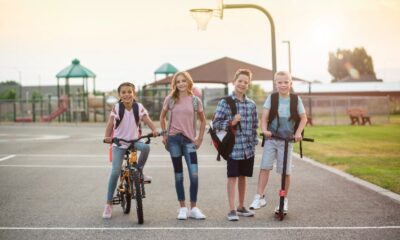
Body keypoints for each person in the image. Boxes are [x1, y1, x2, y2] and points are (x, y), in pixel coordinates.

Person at [249, 71, 307, 214]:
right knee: (265, 167)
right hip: (272, 138)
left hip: (287, 140)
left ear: (290, 83)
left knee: (285, 171)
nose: (283, 85)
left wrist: (298, 133)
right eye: (280, 82)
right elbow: (264, 118)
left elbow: (304, 118)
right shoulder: (272, 98)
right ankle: (259, 196)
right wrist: (264, 130)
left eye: (286, 82)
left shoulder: (295, 99)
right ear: (275, 84)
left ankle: (284, 199)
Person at [102, 82, 158, 219]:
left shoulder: (138, 107)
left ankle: (139, 171)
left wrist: (154, 130)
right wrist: (107, 137)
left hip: (134, 141)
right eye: (123, 92)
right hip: (119, 143)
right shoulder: (116, 108)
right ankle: (108, 204)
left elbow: (147, 119)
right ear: (119, 95)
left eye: (129, 92)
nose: (126, 94)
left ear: (134, 93)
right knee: (115, 171)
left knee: (146, 147)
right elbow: (110, 124)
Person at [212, 69, 259, 221]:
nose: (242, 84)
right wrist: (231, 122)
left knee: (243, 177)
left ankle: (241, 206)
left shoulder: (251, 104)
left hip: (247, 149)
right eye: (240, 81)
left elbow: (254, 126)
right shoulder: (225, 102)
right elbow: (216, 124)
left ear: (248, 84)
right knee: (232, 177)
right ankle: (232, 209)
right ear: (234, 82)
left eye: (246, 82)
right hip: (233, 148)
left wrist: (254, 142)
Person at [160, 71, 207, 220]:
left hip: (189, 141)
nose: (181, 84)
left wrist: (199, 138)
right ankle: (182, 208)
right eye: (178, 81)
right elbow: (162, 117)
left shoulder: (195, 101)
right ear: (175, 84)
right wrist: (164, 134)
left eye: (183, 81)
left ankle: (193, 208)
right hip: (173, 140)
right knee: (178, 175)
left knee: (194, 174)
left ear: (189, 82)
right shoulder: (170, 99)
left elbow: (203, 120)